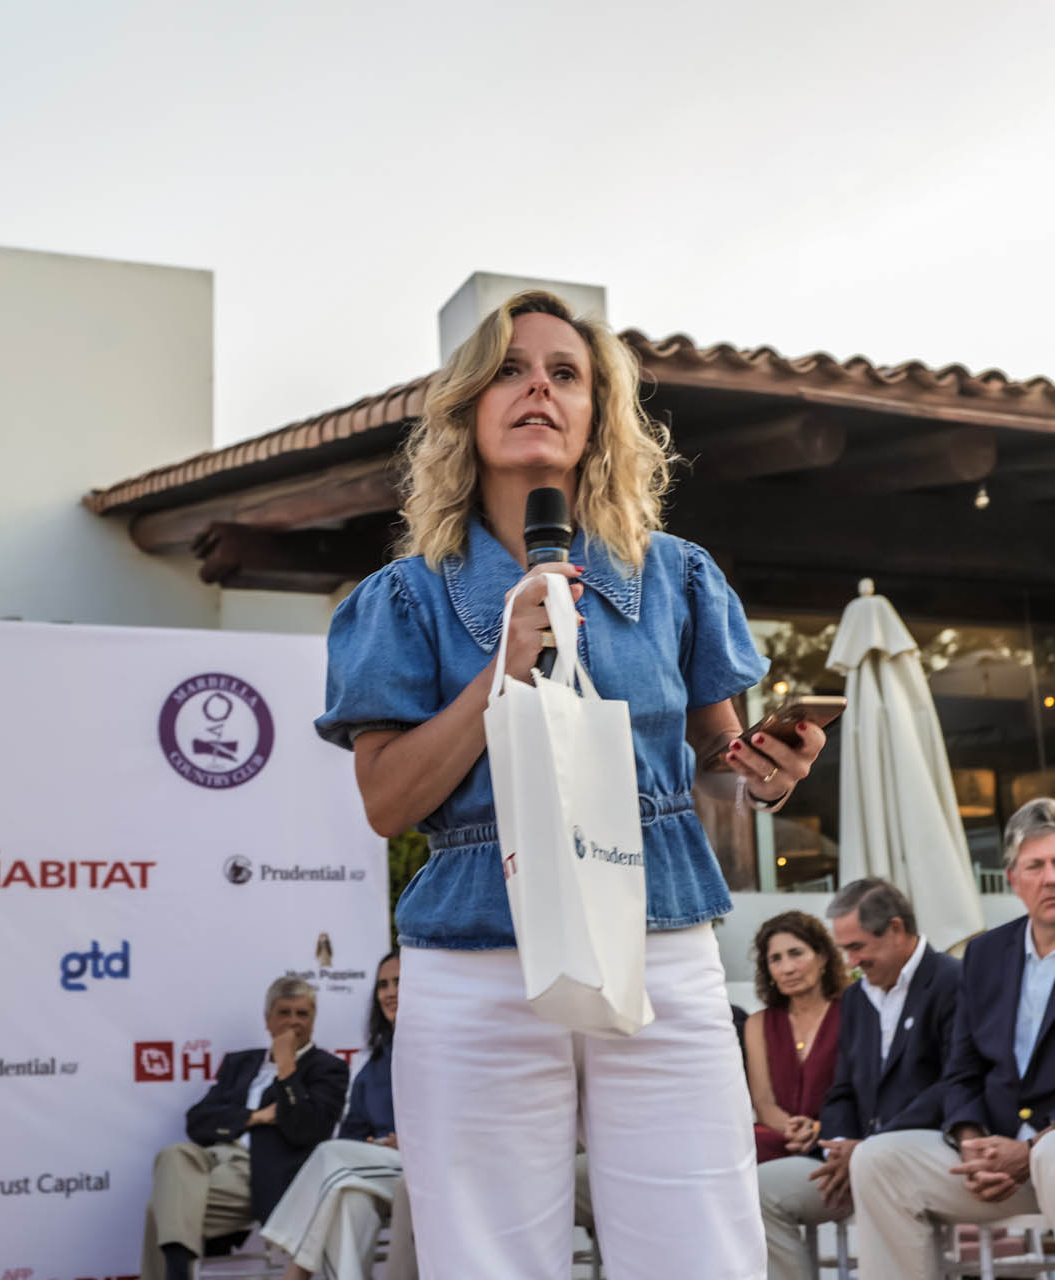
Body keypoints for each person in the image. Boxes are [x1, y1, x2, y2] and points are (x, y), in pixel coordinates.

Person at [315, 290, 823, 1279]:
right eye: (508, 370)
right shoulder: (403, 598)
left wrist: (769, 774)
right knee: (489, 1258)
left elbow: (722, 770)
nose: (538, 389)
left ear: (598, 414)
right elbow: (387, 802)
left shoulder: (677, 577)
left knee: (701, 1249)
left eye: (565, 373)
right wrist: (497, 675)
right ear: (466, 408)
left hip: (659, 942)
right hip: (476, 954)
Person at [850, 798, 1055, 1277]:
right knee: (877, 1160)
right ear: (1012, 880)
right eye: (1035, 866)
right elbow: (962, 1069)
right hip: (993, 1158)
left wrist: (1034, 1145)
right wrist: (970, 1139)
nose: (1051, 878)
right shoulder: (985, 953)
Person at [758, 878, 962, 1280]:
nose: (851, 962)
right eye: (845, 949)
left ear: (896, 930)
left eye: (857, 947)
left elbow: (956, 1083)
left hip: (925, 1157)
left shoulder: (953, 980)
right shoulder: (856, 998)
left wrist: (869, 1147)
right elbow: (842, 1090)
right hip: (852, 1162)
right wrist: (838, 1148)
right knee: (756, 1192)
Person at [142, 977, 350, 1280]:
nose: (293, 1021)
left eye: (302, 1014)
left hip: (260, 1170)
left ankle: (176, 1273)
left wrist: (287, 1068)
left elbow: (306, 1130)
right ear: (268, 1020)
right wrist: (255, 1117)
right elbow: (198, 1121)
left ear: (313, 1020)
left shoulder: (327, 1068)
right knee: (174, 1155)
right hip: (211, 1158)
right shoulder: (240, 1063)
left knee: (159, 1208)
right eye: (284, 1012)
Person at [265, 952, 403, 1280]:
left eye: (399, 982)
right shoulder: (373, 1068)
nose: (389, 992)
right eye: (383, 985)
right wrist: (370, 1145)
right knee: (350, 1199)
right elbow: (352, 1135)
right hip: (378, 1170)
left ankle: (295, 1271)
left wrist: (409, 1141)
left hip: (427, 1166)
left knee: (330, 1156)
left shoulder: (442, 1049)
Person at [744, 910, 845, 1165]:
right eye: (775, 959)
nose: (787, 968)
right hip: (778, 1136)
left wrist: (818, 1128)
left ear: (822, 957)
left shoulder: (852, 1012)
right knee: (736, 1144)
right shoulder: (757, 1024)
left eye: (796, 953)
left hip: (836, 1135)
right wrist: (795, 1130)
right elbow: (763, 1103)